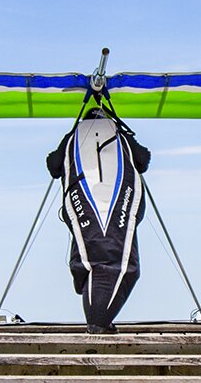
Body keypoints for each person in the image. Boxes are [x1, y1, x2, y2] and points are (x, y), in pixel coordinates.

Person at [46, 106, 150, 332]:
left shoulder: (73, 136)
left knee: (89, 257)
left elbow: (53, 166)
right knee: (118, 263)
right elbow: (143, 160)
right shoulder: (119, 134)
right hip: (115, 208)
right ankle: (98, 321)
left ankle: (97, 317)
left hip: (84, 208)